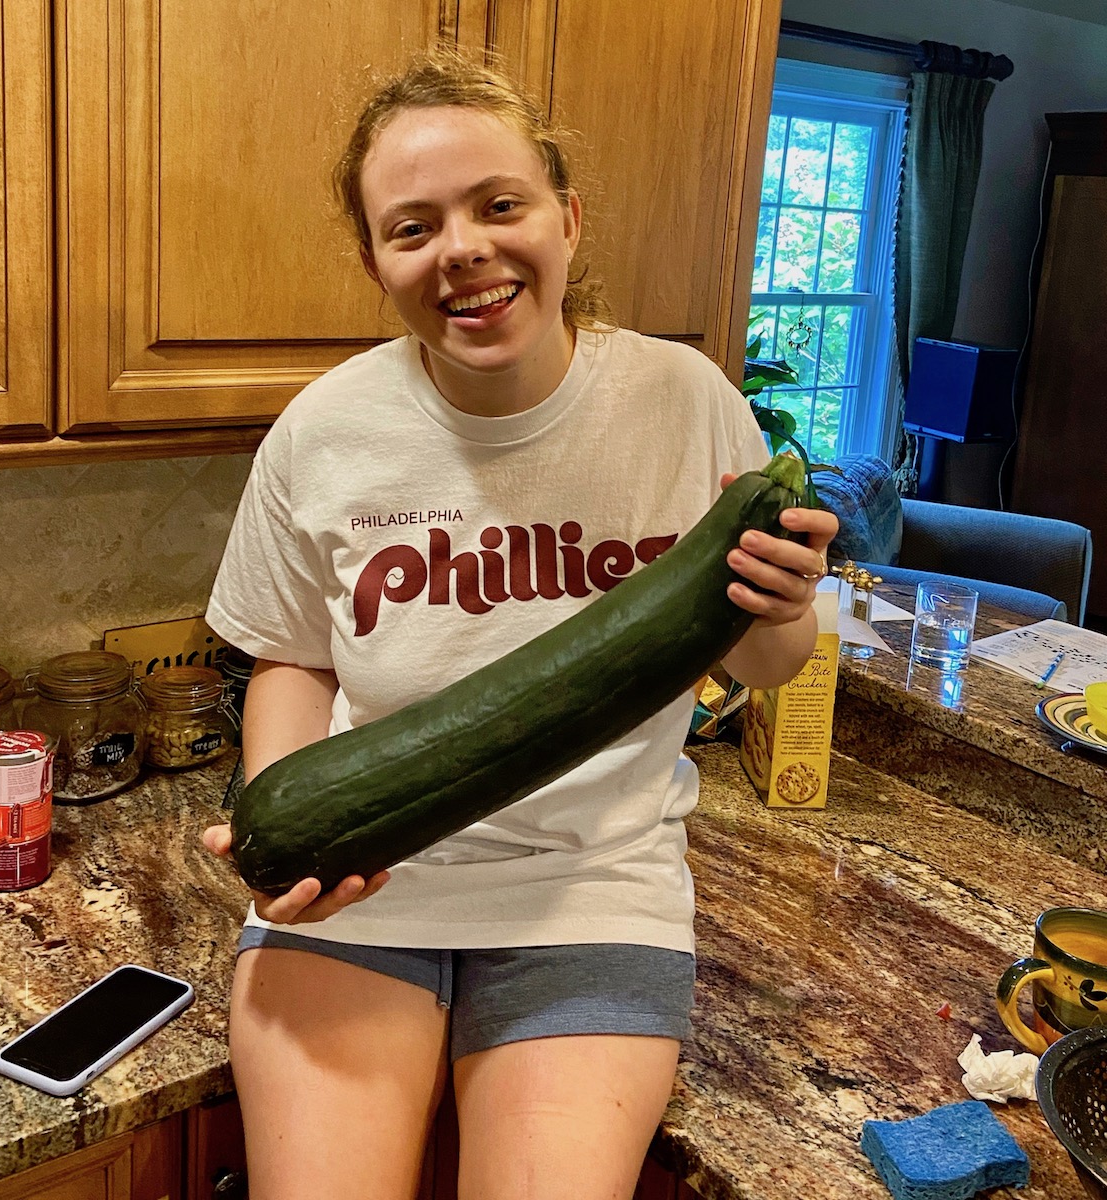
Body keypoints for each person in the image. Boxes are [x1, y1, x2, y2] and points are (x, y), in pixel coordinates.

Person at [202, 49, 838, 1200]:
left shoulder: (686, 404)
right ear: (376, 261)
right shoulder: (324, 430)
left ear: (567, 219)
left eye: (501, 205)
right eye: (414, 226)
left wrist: (784, 607)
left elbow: (769, 660)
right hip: (370, 878)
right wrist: (293, 827)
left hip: (595, 883)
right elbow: (291, 656)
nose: (465, 249)